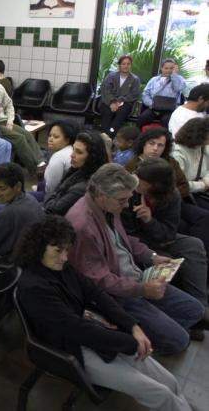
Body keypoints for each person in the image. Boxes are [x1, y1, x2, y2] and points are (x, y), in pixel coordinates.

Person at [16, 215, 193, 411]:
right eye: (58, 251)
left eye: (67, 250)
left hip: (91, 334)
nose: (65, 257)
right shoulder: (33, 287)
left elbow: (95, 292)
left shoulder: (61, 267)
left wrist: (132, 326)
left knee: (170, 382)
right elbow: (75, 329)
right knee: (161, 394)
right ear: (39, 247)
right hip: (71, 351)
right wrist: (130, 342)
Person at [66, 163, 204, 355]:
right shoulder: (82, 226)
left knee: (195, 310)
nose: (126, 206)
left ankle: (154, 326)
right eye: (122, 201)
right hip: (117, 295)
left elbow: (125, 239)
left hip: (135, 278)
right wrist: (142, 289)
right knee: (179, 341)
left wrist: (151, 256)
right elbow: (99, 280)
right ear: (102, 196)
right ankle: (136, 333)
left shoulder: (108, 207)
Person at [121, 158, 209, 339]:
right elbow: (128, 234)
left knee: (194, 245)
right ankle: (188, 314)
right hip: (138, 241)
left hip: (160, 236)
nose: (136, 182)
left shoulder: (172, 196)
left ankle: (200, 309)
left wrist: (149, 221)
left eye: (142, 181)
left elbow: (168, 233)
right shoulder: (130, 193)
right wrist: (152, 241)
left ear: (155, 186)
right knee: (164, 258)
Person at [126, 126, 209, 265]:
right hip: (148, 217)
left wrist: (164, 192)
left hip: (171, 200)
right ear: (143, 144)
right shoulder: (131, 168)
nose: (155, 148)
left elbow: (183, 185)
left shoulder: (169, 162)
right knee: (183, 228)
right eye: (152, 143)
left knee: (203, 219)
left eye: (160, 145)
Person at [0, 71, 45, 175]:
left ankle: (41, 163)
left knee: (27, 135)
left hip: (3, 120)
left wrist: (10, 121)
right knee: (20, 138)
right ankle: (34, 169)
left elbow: (9, 104)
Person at [44, 131, 108, 216]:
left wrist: (51, 195)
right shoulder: (78, 169)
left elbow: (53, 210)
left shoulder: (82, 188)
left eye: (79, 152)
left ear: (92, 158)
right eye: (73, 149)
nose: (72, 155)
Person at [99, 55, 141, 137]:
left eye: (128, 64)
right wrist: (112, 102)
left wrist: (120, 101)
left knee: (121, 112)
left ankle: (109, 135)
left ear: (131, 65)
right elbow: (105, 90)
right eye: (123, 64)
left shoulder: (135, 79)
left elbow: (134, 94)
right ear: (119, 65)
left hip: (125, 103)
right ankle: (106, 136)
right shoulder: (111, 76)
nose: (126, 66)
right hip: (108, 101)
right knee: (106, 111)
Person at [138, 59, 186, 130]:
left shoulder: (179, 79)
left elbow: (178, 88)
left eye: (171, 68)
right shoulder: (154, 80)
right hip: (153, 107)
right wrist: (151, 104)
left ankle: (166, 137)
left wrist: (174, 75)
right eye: (166, 68)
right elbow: (145, 93)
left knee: (166, 121)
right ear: (162, 68)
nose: (168, 70)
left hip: (169, 110)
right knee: (143, 118)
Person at [173, 117, 209, 209]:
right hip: (187, 196)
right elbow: (179, 185)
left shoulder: (204, 146)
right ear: (199, 136)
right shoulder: (178, 154)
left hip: (203, 190)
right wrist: (202, 185)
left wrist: (207, 181)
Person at [44, 120, 79, 194]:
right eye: (50, 135)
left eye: (56, 137)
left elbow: (50, 189)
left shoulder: (58, 157)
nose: (50, 139)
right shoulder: (71, 149)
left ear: (67, 140)